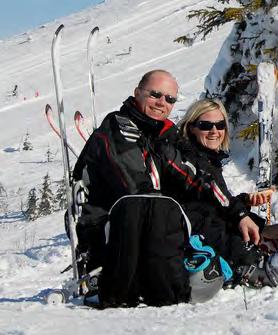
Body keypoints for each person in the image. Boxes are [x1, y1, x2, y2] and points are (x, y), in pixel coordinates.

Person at [72, 70, 239, 307]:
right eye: (155, 95)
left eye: (170, 99)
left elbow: (195, 177)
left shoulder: (159, 133)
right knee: (152, 203)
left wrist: (238, 213)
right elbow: (135, 186)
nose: (162, 103)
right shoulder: (116, 130)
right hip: (110, 232)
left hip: (146, 231)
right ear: (137, 93)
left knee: (201, 212)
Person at [175, 99, 278, 287]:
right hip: (197, 238)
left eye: (220, 125)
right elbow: (204, 215)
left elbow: (216, 203)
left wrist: (249, 209)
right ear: (191, 127)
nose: (214, 131)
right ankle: (252, 265)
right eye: (205, 125)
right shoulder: (189, 160)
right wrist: (248, 233)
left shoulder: (207, 159)